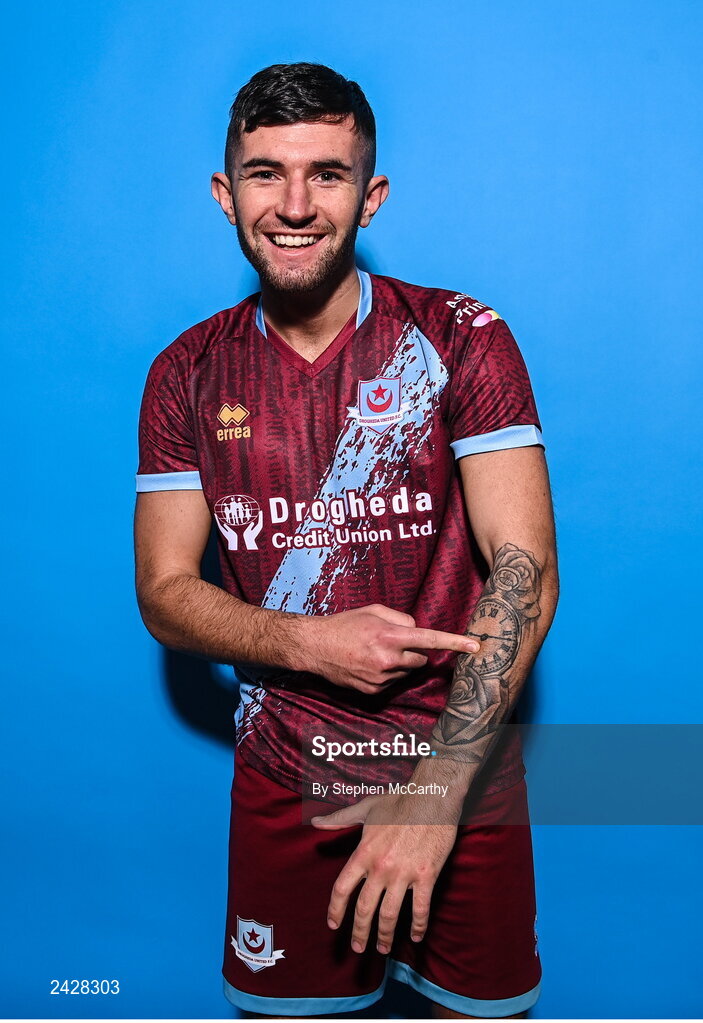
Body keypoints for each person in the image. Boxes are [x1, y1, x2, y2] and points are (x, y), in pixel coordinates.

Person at [134, 62, 559, 1019]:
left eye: (325, 174)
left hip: (461, 763)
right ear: (224, 192)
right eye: (263, 173)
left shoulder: (460, 336)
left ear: (370, 197)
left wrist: (438, 792)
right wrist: (304, 641)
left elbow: (523, 569)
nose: (293, 204)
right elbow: (163, 589)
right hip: (290, 772)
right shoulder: (186, 372)